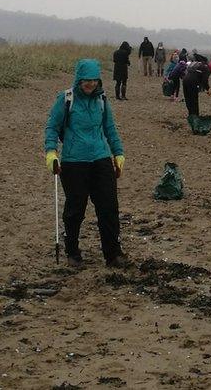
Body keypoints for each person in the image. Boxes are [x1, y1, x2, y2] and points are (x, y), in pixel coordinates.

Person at [44, 59, 129, 268]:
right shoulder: (66, 99)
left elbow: (110, 129)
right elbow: (52, 128)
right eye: (86, 80)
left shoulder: (102, 100)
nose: (90, 84)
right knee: (75, 209)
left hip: (101, 158)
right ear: (78, 79)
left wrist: (118, 154)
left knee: (108, 207)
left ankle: (113, 253)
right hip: (74, 162)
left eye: (93, 80)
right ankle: (72, 252)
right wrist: (51, 153)